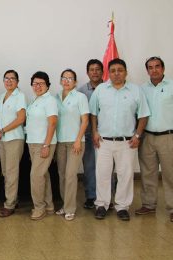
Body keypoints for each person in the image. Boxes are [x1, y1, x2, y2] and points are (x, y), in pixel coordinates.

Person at [90, 58, 150, 221]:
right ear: (108, 73)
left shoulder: (135, 90)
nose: (116, 73)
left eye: (120, 70)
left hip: (127, 142)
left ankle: (122, 207)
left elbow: (143, 115)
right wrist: (94, 132)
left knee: (126, 175)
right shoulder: (101, 90)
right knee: (102, 174)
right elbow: (93, 113)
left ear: (126, 72)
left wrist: (137, 135)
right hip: (103, 141)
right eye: (113, 70)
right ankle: (101, 204)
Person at [136, 57, 173, 222]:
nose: (154, 70)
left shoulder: (172, 86)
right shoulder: (142, 89)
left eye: (157, 66)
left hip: (168, 137)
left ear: (163, 68)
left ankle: (172, 207)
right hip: (148, 137)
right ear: (147, 71)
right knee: (147, 172)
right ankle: (149, 204)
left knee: (170, 174)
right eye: (150, 67)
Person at [55, 69, 89, 221]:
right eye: (64, 78)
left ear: (75, 82)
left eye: (70, 78)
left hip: (76, 142)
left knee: (70, 175)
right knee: (62, 175)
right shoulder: (55, 97)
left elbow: (85, 120)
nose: (66, 80)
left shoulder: (80, 97)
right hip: (60, 142)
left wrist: (78, 139)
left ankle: (70, 208)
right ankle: (65, 204)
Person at [25, 71, 58, 220]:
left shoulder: (49, 100)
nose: (38, 86)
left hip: (44, 143)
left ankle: (39, 207)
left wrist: (46, 145)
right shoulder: (34, 100)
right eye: (35, 83)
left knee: (36, 176)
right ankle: (49, 205)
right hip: (32, 142)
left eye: (41, 83)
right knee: (43, 175)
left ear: (47, 85)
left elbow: (52, 123)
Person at [0, 70, 26, 217]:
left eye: (13, 78)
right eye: (6, 78)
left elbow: (21, 119)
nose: (9, 81)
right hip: (2, 139)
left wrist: (3, 130)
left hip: (14, 138)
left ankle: (10, 204)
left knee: (11, 172)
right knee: (6, 172)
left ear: (17, 82)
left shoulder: (20, 96)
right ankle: (14, 198)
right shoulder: (1, 96)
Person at [77, 59, 103, 209]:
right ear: (87, 72)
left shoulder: (109, 88)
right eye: (92, 69)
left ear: (102, 71)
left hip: (105, 135)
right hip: (87, 135)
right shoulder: (81, 91)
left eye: (98, 69)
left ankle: (107, 198)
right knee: (89, 167)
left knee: (107, 169)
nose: (95, 72)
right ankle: (91, 196)